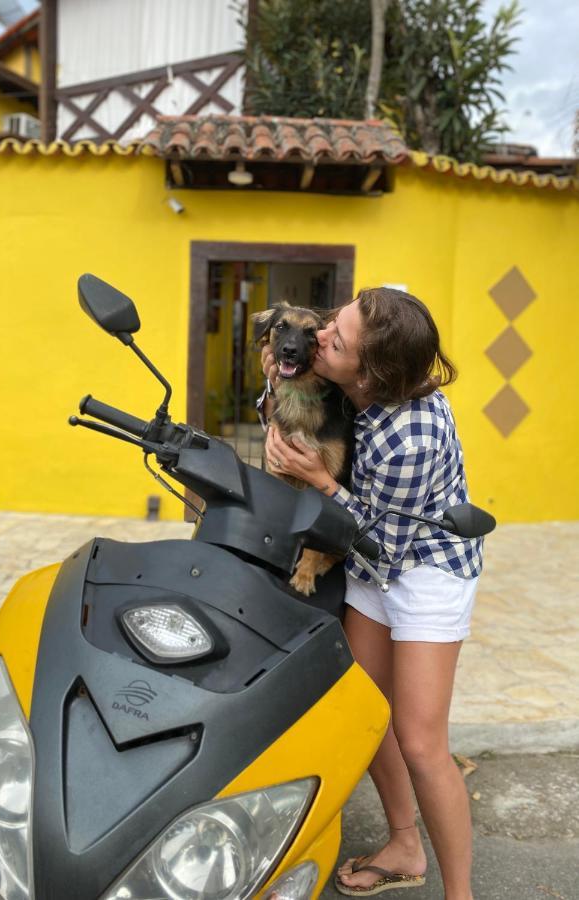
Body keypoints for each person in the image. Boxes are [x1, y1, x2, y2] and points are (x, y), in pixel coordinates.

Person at [262, 287, 482, 900]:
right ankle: (404, 842)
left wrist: (320, 482)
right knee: (367, 709)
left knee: (420, 740)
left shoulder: (404, 438)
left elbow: (387, 542)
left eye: (335, 340)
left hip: (423, 567)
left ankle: (459, 894)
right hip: (368, 552)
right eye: (332, 323)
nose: (322, 338)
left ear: (370, 372)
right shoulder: (350, 379)